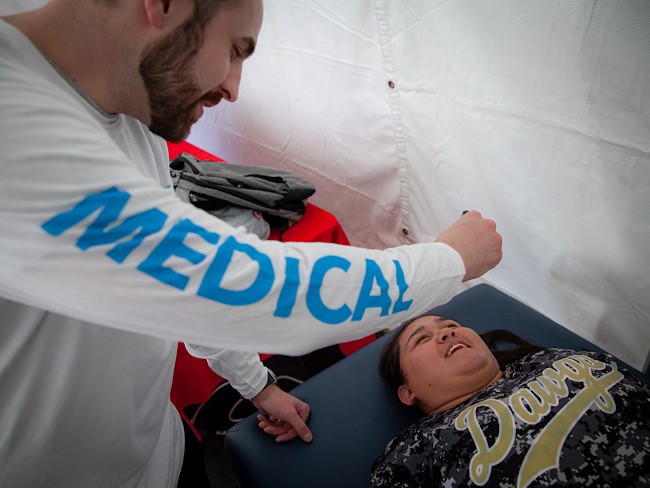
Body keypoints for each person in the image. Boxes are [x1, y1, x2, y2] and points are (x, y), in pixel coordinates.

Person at [0, 0, 503, 486]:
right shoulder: (15, 127)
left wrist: (257, 385)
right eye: (236, 49)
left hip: (157, 451)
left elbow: (182, 284)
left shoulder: (133, 121)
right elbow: (241, 282)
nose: (234, 87)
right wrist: (448, 260)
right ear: (162, 4)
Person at [371, 315, 650, 487]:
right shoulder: (415, 448)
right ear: (408, 392)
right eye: (421, 340)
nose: (447, 332)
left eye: (451, 325)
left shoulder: (546, 359)